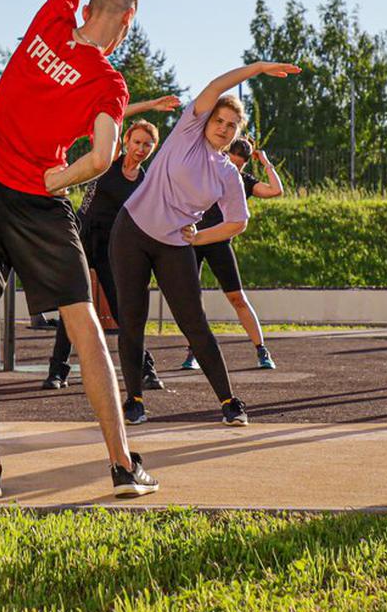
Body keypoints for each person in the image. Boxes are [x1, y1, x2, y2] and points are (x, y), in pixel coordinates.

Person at [0, 0, 198, 499]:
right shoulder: (108, 82)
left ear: (89, 7)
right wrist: (51, 182)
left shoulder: (51, 22)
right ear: (128, 21)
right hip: (34, 201)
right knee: (84, 325)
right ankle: (121, 466)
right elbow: (104, 155)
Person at [110, 60, 300, 427]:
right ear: (207, 120)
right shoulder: (187, 131)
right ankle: (134, 399)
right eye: (219, 121)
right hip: (132, 231)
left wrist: (199, 237)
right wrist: (258, 68)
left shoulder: (229, 174)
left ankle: (229, 402)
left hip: (174, 244)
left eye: (231, 126)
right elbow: (215, 85)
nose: (224, 129)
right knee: (132, 319)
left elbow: (237, 222)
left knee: (194, 323)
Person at [43, 98, 180, 391]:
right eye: (138, 141)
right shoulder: (111, 156)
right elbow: (114, 115)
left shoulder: (144, 181)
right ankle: (58, 371)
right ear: (126, 140)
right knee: (73, 304)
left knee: (123, 309)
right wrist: (152, 105)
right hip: (81, 236)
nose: (141, 149)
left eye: (147, 145)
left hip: (112, 244)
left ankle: (146, 368)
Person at [181, 137, 283, 371]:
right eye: (231, 162)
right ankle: (192, 352)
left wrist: (265, 162)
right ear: (224, 154)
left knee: (237, 298)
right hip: (193, 240)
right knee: (190, 300)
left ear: (245, 165)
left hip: (219, 242)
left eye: (239, 166)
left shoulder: (244, 181)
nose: (234, 168)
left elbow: (275, 190)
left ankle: (261, 350)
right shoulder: (208, 171)